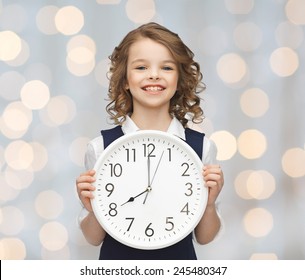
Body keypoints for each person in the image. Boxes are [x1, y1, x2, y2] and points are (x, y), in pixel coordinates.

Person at [76, 22, 224, 260]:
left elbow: (204, 237)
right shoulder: (101, 148)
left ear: (179, 79)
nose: (154, 74)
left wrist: (209, 203)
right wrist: (94, 209)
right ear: (125, 79)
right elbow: (93, 239)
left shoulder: (201, 147)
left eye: (166, 67)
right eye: (142, 67)